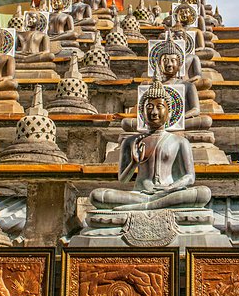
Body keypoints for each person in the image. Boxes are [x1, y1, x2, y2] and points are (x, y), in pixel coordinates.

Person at [89, 77, 211, 211]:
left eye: (159, 107)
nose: (154, 112)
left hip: (169, 192)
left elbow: (189, 177)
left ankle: (148, 205)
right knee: (97, 195)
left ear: (169, 112)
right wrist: (133, 163)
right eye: (149, 107)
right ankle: (150, 203)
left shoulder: (180, 142)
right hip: (140, 193)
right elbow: (123, 179)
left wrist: (170, 188)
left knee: (203, 193)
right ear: (142, 113)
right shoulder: (131, 142)